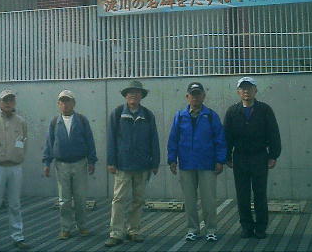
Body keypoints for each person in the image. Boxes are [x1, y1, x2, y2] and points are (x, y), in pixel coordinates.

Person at [167, 82, 227, 242]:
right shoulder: (180, 116)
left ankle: (211, 229)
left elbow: (220, 139)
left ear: (203, 96)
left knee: (209, 200)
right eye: (192, 94)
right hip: (186, 164)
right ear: (187, 97)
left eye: (198, 94)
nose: (195, 97)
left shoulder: (211, 116)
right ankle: (192, 229)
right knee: (189, 200)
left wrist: (220, 160)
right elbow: (173, 139)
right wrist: (172, 159)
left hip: (207, 165)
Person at [224, 77, 281, 239]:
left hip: (259, 157)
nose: (246, 91)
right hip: (240, 158)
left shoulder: (265, 110)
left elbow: (273, 133)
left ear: (255, 90)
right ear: (238, 92)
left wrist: (273, 155)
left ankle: (261, 228)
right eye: (243, 88)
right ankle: (246, 227)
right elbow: (226, 136)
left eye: (249, 88)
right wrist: (227, 156)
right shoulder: (232, 111)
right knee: (242, 194)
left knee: (260, 194)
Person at [104, 80, 160, 247]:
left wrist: (155, 162)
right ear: (125, 95)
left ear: (142, 95)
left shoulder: (148, 115)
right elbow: (111, 139)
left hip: (143, 165)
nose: (133, 95)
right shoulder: (117, 113)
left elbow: (154, 139)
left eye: (137, 92)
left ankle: (133, 231)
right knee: (119, 199)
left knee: (138, 200)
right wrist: (111, 161)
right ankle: (116, 233)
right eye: (130, 92)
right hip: (122, 165)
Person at [43, 90, 98, 240]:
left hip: (80, 163)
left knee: (80, 198)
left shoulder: (82, 120)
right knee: (64, 200)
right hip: (61, 165)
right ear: (58, 104)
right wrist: (47, 163)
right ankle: (65, 228)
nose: (65, 104)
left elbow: (90, 141)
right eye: (62, 101)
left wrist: (92, 161)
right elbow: (49, 143)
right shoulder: (54, 122)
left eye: (68, 101)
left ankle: (82, 226)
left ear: (73, 103)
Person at [0, 90, 30, 251]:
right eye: (5, 100)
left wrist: (18, 156)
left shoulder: (21, 122)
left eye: (11, 100)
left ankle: (18, 237)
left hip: (15, 167)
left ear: (14, 102)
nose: (8, 103)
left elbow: (24, 141)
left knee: (15, 204)